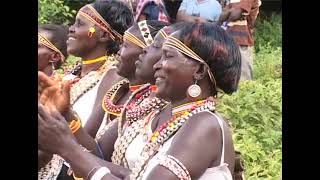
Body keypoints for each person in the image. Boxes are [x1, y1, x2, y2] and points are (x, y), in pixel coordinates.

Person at [38, 22, 241, 179]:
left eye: (168, 56)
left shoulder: (205, 124)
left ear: (199, 70)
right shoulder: (159, 113)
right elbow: (107, 159)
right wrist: (66, 115)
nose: (157, 66)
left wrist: (68, 149)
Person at [38, 1, 134, 179]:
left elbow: (92, 146)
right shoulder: (69, 75)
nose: (71, 29)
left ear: (104, 35)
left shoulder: (113, 76)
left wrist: (66, 115)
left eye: (80, 24)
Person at [85, 20, 170, 139]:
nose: (118, 52)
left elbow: (97, 148)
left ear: (144, 52)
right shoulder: (120, 89)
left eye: (125, 45)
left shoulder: (154, 103)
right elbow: (90, 138)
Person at [218, 0, 262, 80]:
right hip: (228, 40)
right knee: (228, 72)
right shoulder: (231, 1)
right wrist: (231, 12)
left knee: (244, 76)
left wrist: (230, 12)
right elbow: (221, 17)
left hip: (243, 41)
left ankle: (245, 91)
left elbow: (235, 15)